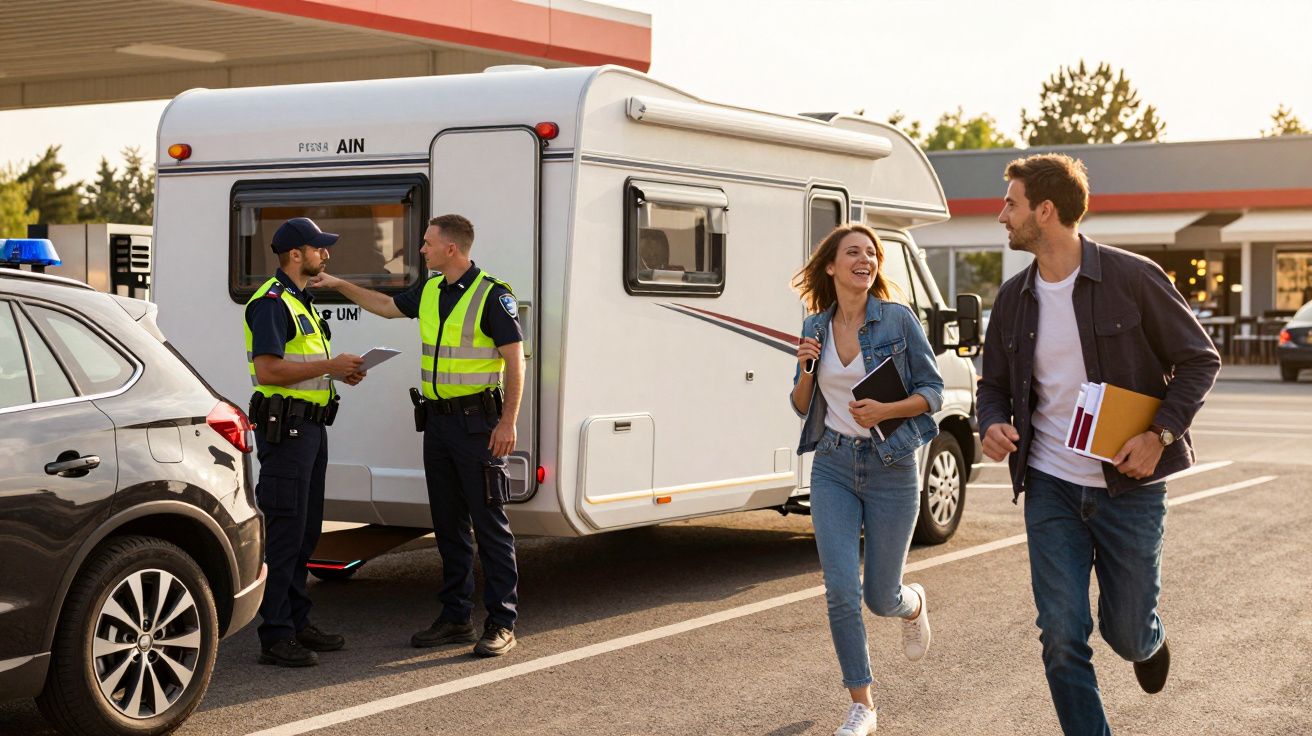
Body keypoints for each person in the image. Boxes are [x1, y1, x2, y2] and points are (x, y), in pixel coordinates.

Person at [978, 154, 1221, 735]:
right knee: (1061, 635)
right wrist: (991, 422)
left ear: (1046, 210)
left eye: (1010, 203)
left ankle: (1147, 640)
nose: (1001, 215)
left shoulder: (1133, 278)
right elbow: (992, 385)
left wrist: (1159, 435)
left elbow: (1199, 360)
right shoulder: (1013, 299)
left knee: (1126, 630)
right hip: (1051, 488)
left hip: (1128, 488)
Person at [311, 213, 524, 657]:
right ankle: (455, 618)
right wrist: (339, 284)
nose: (421, 249)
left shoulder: (492, 295)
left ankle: (502, 622)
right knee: (448, 525)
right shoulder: (429, 290)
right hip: (439, 423)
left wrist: (508, 422)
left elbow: (514, 361)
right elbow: (386, 306)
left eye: (428, 243)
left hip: (478, 426)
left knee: (490, 525)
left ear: (452, 248)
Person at [789, 223, 943, 736]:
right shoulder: (814, 325)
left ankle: (912, 602)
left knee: (880, 597)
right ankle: (863, 704)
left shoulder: (897, 320)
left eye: (872, 253)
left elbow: (933, 392)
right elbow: (799, 405)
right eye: (853, 252)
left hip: (893, 466)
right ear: (830, 266)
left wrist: (886, 409)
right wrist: (807, 368)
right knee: (839, 589)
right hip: (833, 463)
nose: (866, 258)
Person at [246, 216, 367, 667]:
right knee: (285, 535)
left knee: (305, 532)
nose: (326, 255)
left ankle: (297, 621)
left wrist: (341, 372)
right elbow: (269, 370)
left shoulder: (302, 302)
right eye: (319, 249)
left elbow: (308, 365)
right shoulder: (272, 303)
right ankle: (276, 635)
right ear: (296, 255)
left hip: (311, 429)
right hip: (288, 433)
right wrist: (328, 367)